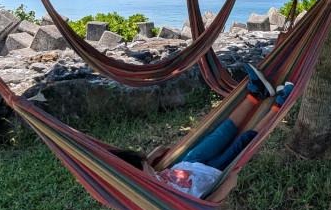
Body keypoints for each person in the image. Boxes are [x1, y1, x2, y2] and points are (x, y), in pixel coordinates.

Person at [113, 64, 293, 199]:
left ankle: (256, 93)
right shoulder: (153, 198)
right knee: (244, 141)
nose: (150, 170)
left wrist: (149, 159)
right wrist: (226, 187)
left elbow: (153, 156)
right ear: (137, 180)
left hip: (189, 162)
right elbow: (202, 209)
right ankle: (279, 105)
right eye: (146, 170)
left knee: (224, 130)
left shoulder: (145, 176)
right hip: (213, 171)